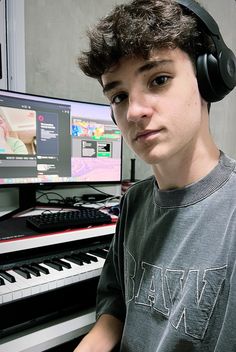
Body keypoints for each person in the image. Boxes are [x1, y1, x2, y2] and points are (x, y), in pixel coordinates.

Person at [74, 0, 236, 351]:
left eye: (159, 79)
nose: (133, 111)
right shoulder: (134, 201)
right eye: (118, 95)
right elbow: (116, 300)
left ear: (208, 79)